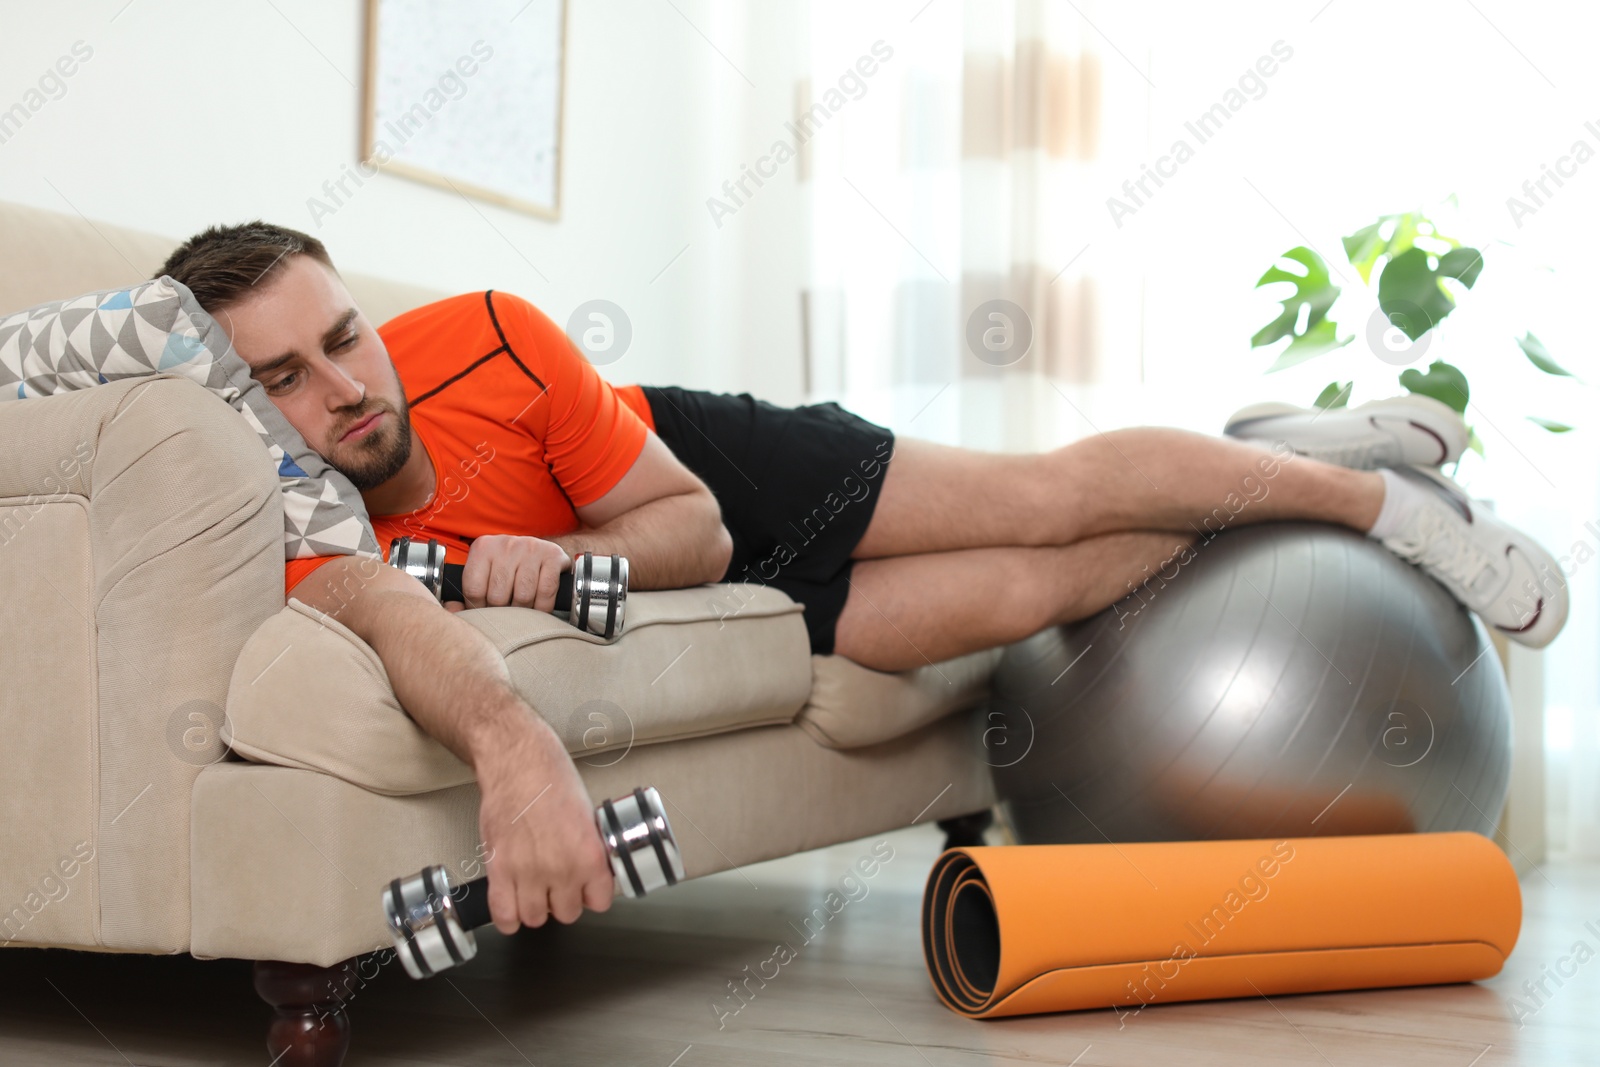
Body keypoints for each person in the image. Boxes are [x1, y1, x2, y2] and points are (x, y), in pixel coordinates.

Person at [156, 221, 1567, 938]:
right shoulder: (291, 522)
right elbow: (395, 618)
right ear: (234, 402)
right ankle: (1255, 463)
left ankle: (1384, 505)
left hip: (689, 473)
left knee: (1041, 495)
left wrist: (571, 556)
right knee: (1038, 586)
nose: (345, 387)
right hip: (710, 608)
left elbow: (692, 528)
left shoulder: (490, 339)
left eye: (344, 335)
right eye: (285, 375)